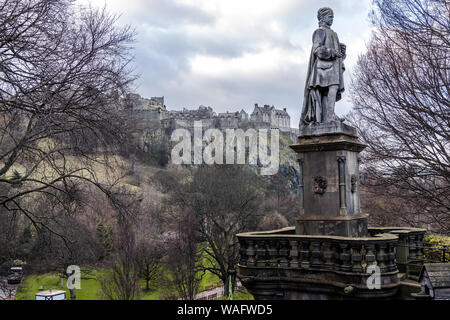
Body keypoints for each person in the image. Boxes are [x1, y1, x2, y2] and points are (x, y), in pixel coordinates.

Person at [300, 7, 346, 126]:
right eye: (330, 17)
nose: (332, 19)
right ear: (323, 18)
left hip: (332, 67)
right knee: (331, 88)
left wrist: (341, 52)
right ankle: (329, 116)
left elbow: (336, 54)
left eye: (332, 17)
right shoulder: (319, 31)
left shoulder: (333, 33)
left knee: (330, 91)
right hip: (323, 69)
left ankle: (329, 115)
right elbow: (317, 50)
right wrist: (332, 52)